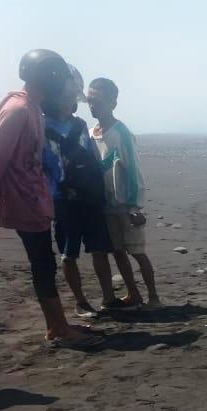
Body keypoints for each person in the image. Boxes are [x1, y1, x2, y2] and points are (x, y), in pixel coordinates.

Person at [0, 49, 102, 349]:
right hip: (26, 201)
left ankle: (57, 323)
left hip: (33, 199)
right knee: (43, 263)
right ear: (51, 79)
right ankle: (57, 327)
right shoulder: (19, 110)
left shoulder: (29, 106)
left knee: (43, 261)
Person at [42, 65, 126, 317]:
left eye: (71, 99)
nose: (69, 103)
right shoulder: (41, 126)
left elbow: (90, 157)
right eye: (65, 98)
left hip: (89, 197)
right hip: (62, 199)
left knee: (99, 249)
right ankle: (80, 301)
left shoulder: (79, 125)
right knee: (69, 253)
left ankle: (109, 297)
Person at [87, 78, 161, 309]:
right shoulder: (92, 133)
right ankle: (133, 294)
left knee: (137, 252)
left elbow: (133, 170)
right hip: (105, 204)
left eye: (97, 101)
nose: (92, 106)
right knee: (118, 251)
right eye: (89, 101)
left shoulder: (122, 133)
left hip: (125, 203)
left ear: (112, 103)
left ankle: (154, 298)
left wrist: (135, 206)